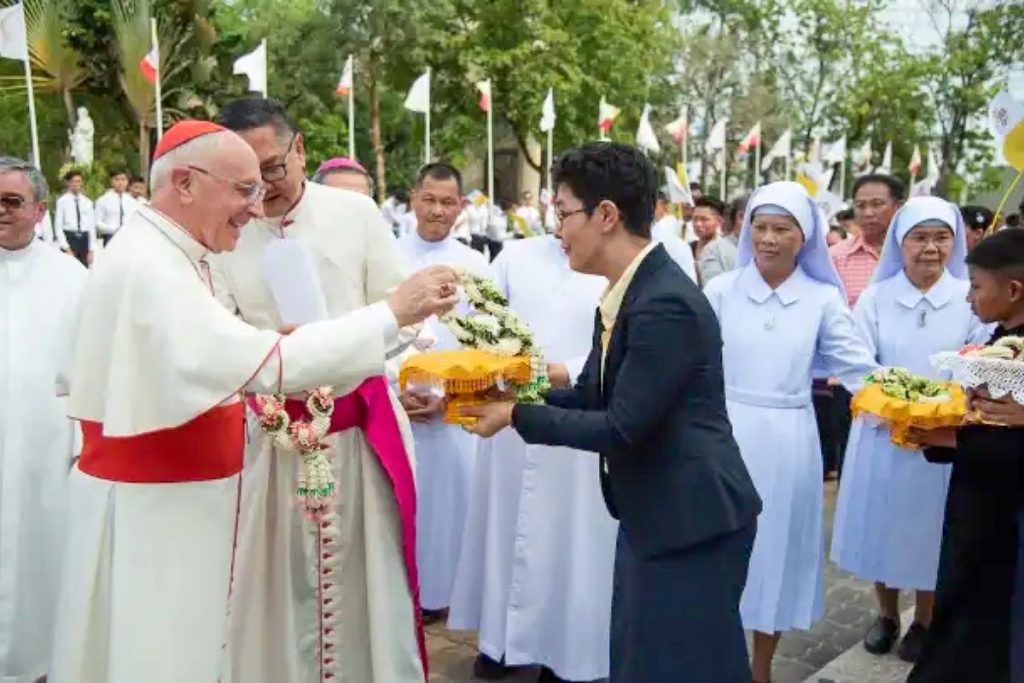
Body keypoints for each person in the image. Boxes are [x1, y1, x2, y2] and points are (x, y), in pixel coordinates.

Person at [48, 120, 458, 683]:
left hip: (187, 499)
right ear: (186, 183)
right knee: (157, 657)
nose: (254, 206)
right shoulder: (152, 267)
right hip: (159, 515)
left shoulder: (171, 250)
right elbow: (267, 365)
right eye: (243, 189)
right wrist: (392, 313)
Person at [461, 142, 762, 682]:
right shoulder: (626, 292)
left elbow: (621, 427)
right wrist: (500, 394)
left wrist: (513, 417)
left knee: (685, 668)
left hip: (692, 520)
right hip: (656, 514)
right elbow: (587, 395)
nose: (558, 230)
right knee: (641, 661)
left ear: (606, 216)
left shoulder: (663, 302)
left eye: (564, 213)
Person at [212, 98, 430, 683]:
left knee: (369, 582)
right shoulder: (222, 233)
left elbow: (405, 317)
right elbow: (218, 332)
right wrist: (265, 355)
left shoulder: (355, 217)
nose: (262, 192)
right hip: (272, 444)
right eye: (244, 182)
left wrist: (351, 348)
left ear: (300, 149)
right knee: (271, 588)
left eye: (273, 170)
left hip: (358, 437)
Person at [703, 181, 878, 683]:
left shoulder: (823, 298)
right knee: (717, 550)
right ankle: (716, 659)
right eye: (760, 226)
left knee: (774, 552)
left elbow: (858, 369)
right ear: (745, 229)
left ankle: (760, 670)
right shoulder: (720, 290)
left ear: (805, 238)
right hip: (724, 432)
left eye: (782, 228)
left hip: (789, 441)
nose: (769, 238)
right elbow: (691, 359)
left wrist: (912, 400)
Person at [447, 234, 617, 683]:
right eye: (558, 210)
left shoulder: (614, 261)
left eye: (571, 211)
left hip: (578, 422)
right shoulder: (518, 256)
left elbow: (624, 346)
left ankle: (569, 654)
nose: (564, 225)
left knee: (571, 542)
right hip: (509, 426)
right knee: (508, 534)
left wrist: (558, 369)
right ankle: (501, 644)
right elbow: (479, 318)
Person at [830, 197, 990, 663]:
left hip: (940, 439)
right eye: (920, 237)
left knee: (929, 530)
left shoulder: (969, 299)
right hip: (883, 433)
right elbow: (857, 363)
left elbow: (977, 363)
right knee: (881, 527)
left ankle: (924, 618)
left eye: (941, 237)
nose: (931, 248)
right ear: (902, 244)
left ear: (955, 242)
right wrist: (898, 405)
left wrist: (937, 410)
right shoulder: (877, 298)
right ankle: (885, 613)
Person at [908, 227, 1024, 683]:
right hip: (975, 502)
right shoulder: (999, 339)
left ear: (1013, 290)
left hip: (1005, 519)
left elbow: (1007, 435)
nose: (968, 298)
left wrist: (939, 436)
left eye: (976, 286)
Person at [0, 157, 86, 683]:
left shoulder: (71, 279)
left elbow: (88, 371)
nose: (1, 213)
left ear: (39, 209)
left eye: (12, 202)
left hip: (45, 451)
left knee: (40, 563)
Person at [395, 162, 491, 624]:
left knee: (454, 503)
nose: (437, 210)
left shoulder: (474, 266)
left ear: (460, 207)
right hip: (396, 403)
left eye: (447, 202)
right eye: (429, 199)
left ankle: (446, 594)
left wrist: (451, 390)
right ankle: (401, 591)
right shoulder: (389, 256)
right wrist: (398, 388)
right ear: (413, 198)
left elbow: (488, 339)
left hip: (453, 404)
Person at [692, 196, 737, 285]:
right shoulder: (688, 248)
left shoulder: (726, 250)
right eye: (695, 219)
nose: (698, 224)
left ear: (719, 221)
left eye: (704, 219)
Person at [53, 169, 95, 266]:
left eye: (79, 181)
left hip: (84, 239)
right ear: (68, 183)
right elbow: (58, 227)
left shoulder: (87, 202)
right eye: (73, 181)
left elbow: (91, 227)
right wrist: (66, 247)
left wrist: (91, 249)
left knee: (84, 270)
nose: (76, 184)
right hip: (70, 238)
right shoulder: (62, 201)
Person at [94, 169, 139, 246]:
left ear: (127, 182)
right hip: (110, 237)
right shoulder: (103, 200)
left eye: (123, 179)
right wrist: (114, 229)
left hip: (129, 238)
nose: (120, 183)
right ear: (111, 181)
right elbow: (97, 223)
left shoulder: (132, 201)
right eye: (117, 179)